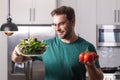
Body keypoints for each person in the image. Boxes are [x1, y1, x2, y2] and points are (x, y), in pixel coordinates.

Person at [11, 6, 104, 80]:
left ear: (73, 22)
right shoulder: (45, 46)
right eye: (55, 24)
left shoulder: (87, 47)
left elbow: (98, 79)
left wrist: (90, 66)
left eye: (61, 24)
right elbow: (19, 59)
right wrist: (16, 53)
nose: (57, 29)